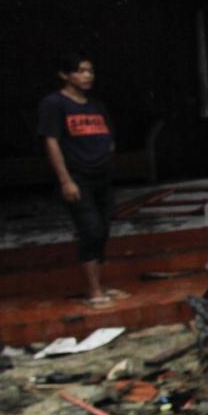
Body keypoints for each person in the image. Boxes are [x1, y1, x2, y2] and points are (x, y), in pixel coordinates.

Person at [38, 52, 123, 308]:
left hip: (102, 176)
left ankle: (102, 284)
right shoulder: (54, 104)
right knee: (90, 230)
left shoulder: (95, 104)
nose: (87, 76)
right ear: (65, 75)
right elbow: (51, 142)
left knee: (103, 230)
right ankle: (94, 291)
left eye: (90, 71)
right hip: (77, 177)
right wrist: (66, 180)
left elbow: (109, 136)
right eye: (81, 70)